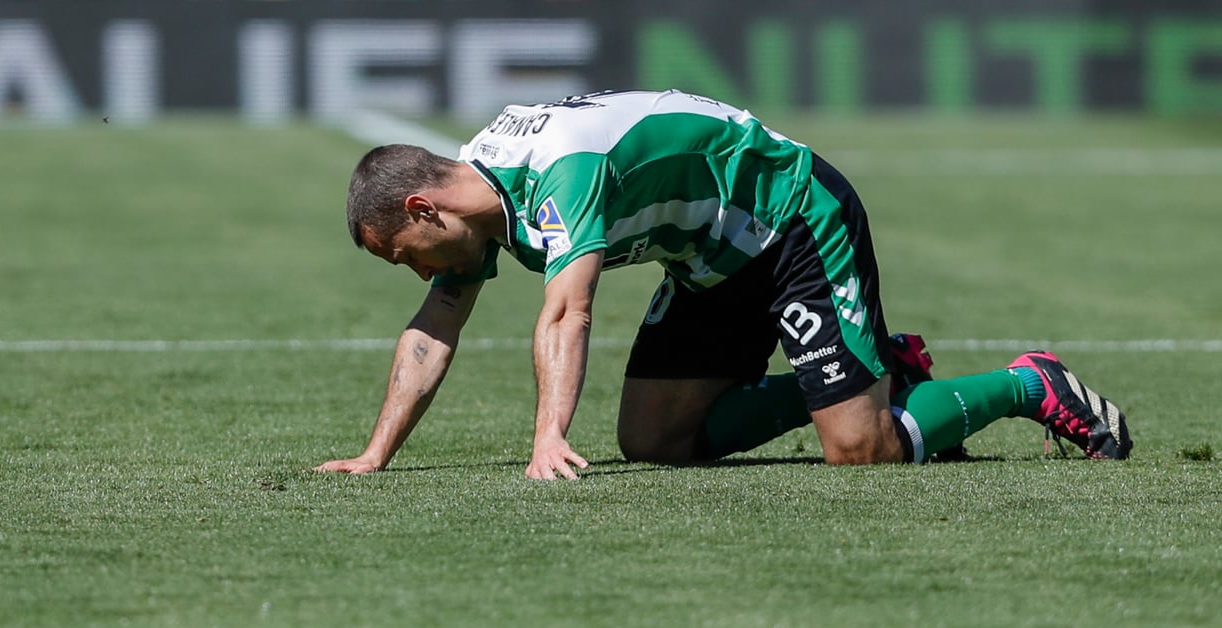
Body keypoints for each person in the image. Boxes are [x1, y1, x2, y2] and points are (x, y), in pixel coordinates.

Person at [316, 90, 1131, 480]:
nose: (419, 273)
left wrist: (547, 438)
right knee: (654, 441)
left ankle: (1028, 384)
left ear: (425, 208)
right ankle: (883, 369)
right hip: (710, 259)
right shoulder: (482, 187)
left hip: (791, 221)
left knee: (860, 451)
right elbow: (435, 327)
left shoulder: (560, 168)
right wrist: (374, 454)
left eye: (406, 255)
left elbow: (569, 308)